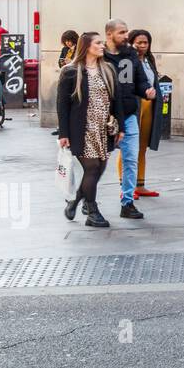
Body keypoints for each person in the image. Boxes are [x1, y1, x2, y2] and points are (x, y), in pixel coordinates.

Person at [57, 32, 126, 228]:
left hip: (103, 128)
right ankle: (92, 211)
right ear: (87, 46)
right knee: (92, 168)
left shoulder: (108, 69)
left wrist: (120, 126)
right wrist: (64, 134)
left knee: (100, 168)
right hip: (82, 129)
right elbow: (62, 105)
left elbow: (117, 100)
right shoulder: (71, 71)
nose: (102, 46)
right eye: (98, 43)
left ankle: (76, 201)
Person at [103, 19, 151, 220]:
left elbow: (139, 81)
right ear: (109, 34)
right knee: (96, 163)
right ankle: (87, 200)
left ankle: (128, 202)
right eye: (121, 32)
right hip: (104, 116)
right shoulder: (100, 55)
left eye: (126, 32)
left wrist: (146, 91)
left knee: (131, 158)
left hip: (129, 114)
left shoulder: (131, 54)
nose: (125, 36)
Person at [123, 29, 162, 198]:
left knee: (141, 147)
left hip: (149, 105)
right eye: (139, 42)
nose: (142, 46)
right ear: (131, 42)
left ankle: (140, 184)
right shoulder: (127, 61)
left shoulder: (148, 61)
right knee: (128, 147)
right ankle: (125, 187)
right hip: (134, 105)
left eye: (145, 43)